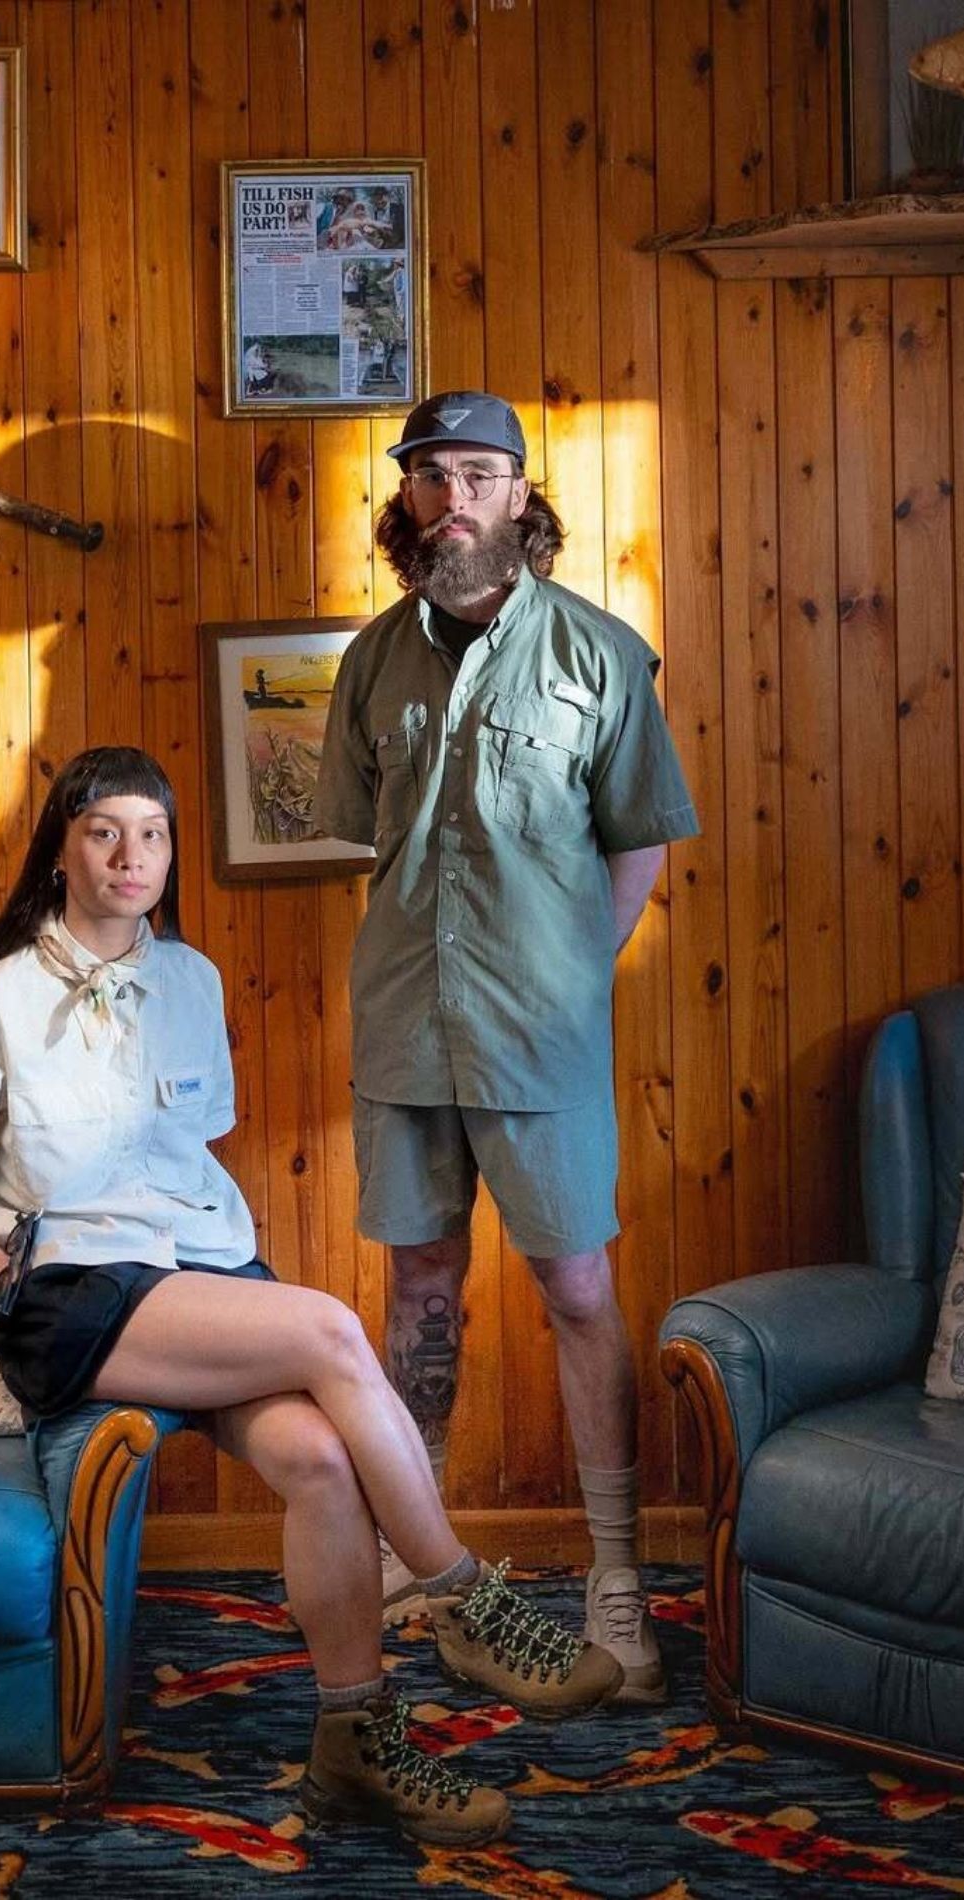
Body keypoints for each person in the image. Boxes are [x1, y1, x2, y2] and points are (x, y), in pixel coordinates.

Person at [0, 745, 622, 1847]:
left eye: (153, 834)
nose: (131, 856)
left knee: (322, 1464)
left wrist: (217, 1283)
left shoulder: (191, 978)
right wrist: (8, 1288)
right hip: (77, 1293)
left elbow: (187, 1151)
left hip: (205, 1273)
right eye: (103, 831)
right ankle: (464, 1596)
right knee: (330, 1326)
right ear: (59, 851)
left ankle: (350, 1744)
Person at [313, 392, 699, 1706]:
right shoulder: (369, 663)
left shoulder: (602, 656)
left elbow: (637, 831)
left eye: (480, 475)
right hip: (407, 1025)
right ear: (407, 503)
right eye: (432, 477)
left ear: (523, 499)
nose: (455, 498)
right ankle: (421, 1565)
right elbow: (363, 829)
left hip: (542, 1041)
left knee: (579, 1288)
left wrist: (576, 970)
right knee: (419, 1297)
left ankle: (615, 1579)